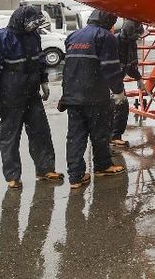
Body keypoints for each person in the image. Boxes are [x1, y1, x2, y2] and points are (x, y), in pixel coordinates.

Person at [0, 5, 62, 189]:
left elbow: (39, 60)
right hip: (10, 97)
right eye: (32, 22)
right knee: (10, 138)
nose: (34, 26)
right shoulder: (1, 38)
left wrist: (43, 81)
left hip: (32, 95)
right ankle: (12, 176)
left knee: (41, 133)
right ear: (22, 21)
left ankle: (45, 170)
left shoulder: (33, 36)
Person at [59, 10, 128, 189]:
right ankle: (102, 166)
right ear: (108, 19)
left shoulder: (73, 36)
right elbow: (110, 68)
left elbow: (68, 69)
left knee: (75, 137)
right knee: (100, 133)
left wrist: (65, 94)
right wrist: (118, 91)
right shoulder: (105, 37)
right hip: (95, 96)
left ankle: (75, 176)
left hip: (73, 96)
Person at [110, 18, 147, 148]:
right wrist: (113, 88)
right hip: (108, 80)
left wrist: (139, 78)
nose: (138, 37)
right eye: (136, 34)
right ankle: (107, 138)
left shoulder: (132, 44)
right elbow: (106, 66)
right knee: (110, 109)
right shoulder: (113, 42)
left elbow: (131, 66)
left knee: (122, 108)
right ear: (130, 32)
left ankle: (115, 137)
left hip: (118, 80)